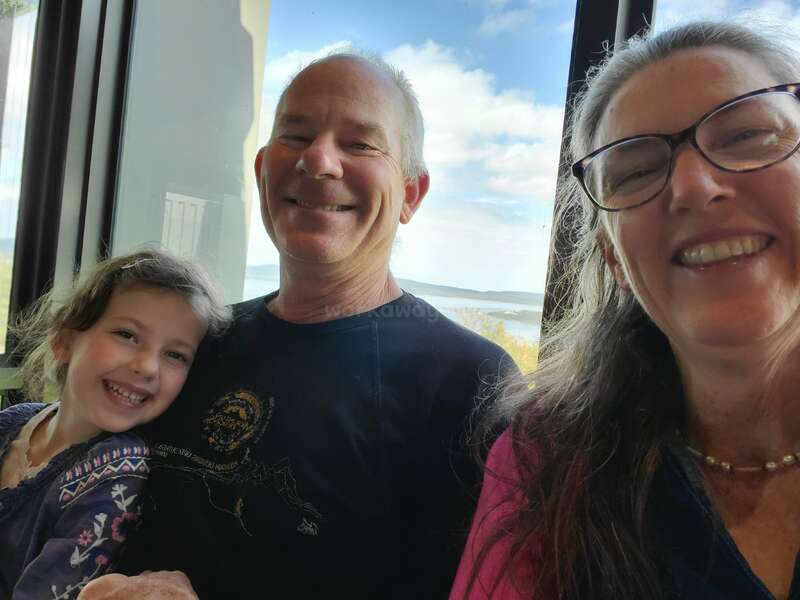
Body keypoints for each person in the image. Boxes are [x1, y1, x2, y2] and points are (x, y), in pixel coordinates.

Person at [96, 51, 514, 599]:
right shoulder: (201, 340)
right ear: (261, 168)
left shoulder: (468, 381)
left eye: (360, 143)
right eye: (296, 136)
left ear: (411, 194)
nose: (318, 160)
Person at [451, 20, 800, 600]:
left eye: (746, 136)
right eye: (636, 171)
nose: (692, 186)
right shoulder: (542, 469)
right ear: (614, 257)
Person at [0, 248, 230, 599]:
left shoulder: (116, 472)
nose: (147, 366)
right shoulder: (14, 421)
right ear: (64, 340)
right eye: (127, 335)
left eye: (175, 355)